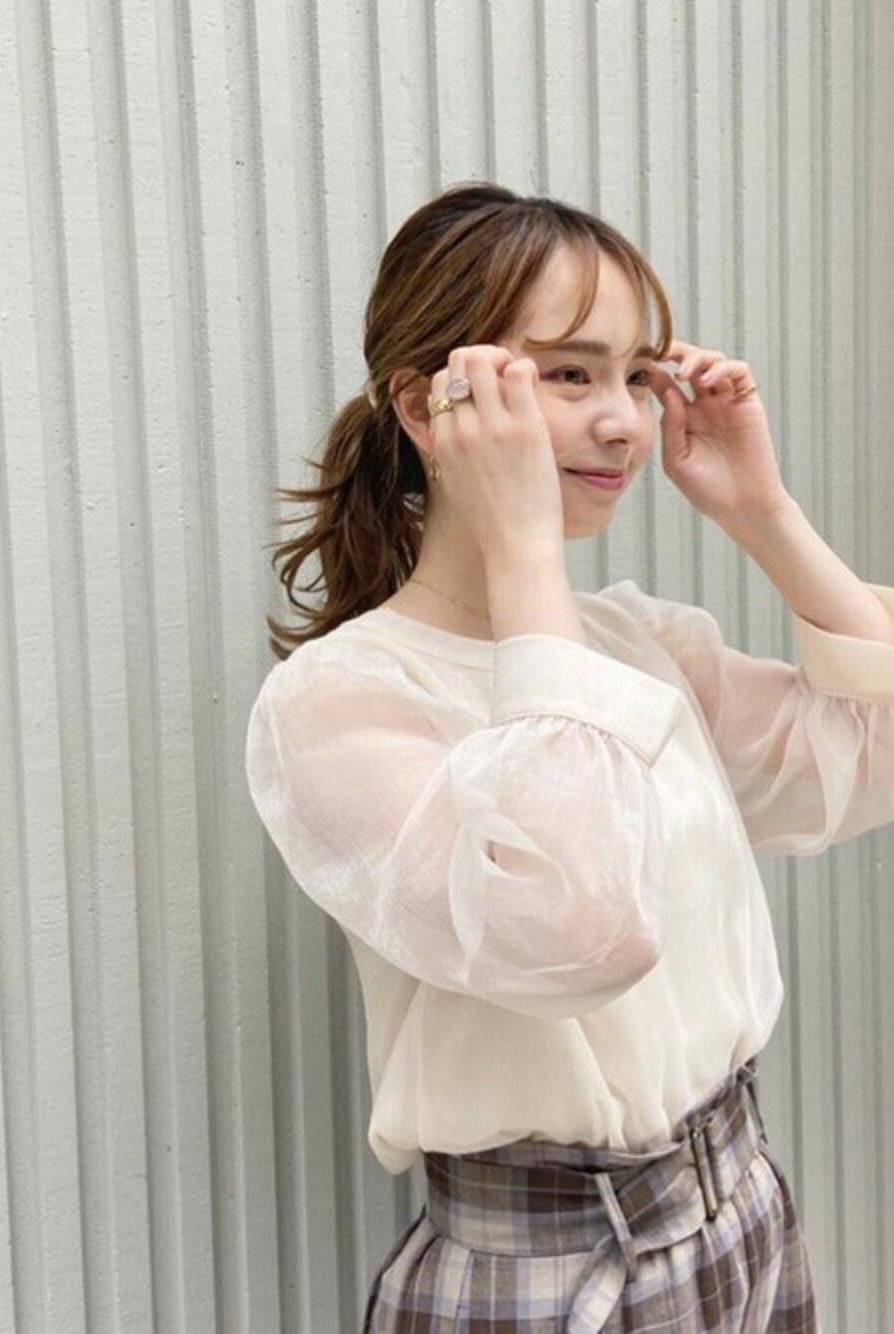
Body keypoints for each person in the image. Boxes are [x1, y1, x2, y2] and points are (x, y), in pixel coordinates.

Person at [245, 182, 894, 1331]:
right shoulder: (338, 702)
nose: (625, 422)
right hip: (548, 1273)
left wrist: (762, 511)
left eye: (635, 375)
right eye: (567, 374)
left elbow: (870, 749)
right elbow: (574, 934)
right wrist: (523, 551)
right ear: (427, 402)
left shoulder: (637, 643)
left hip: (743, 1212)